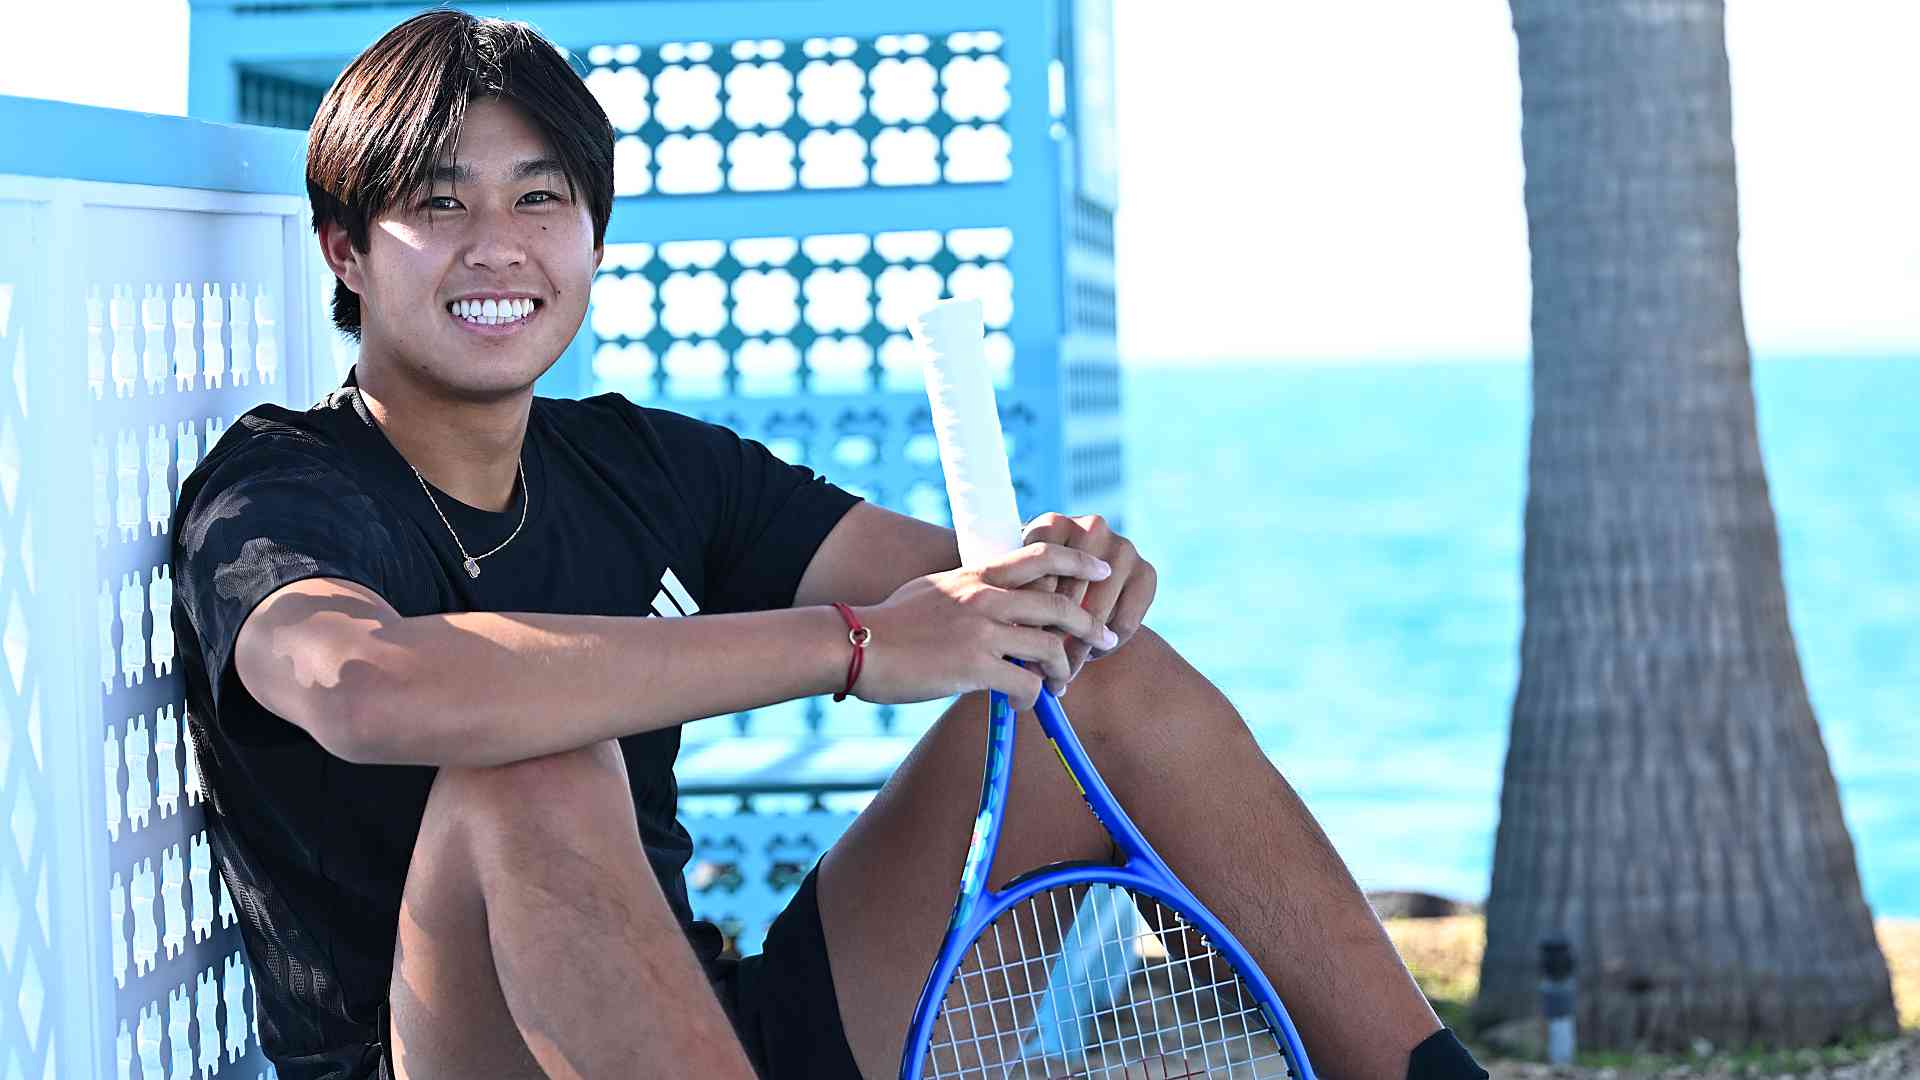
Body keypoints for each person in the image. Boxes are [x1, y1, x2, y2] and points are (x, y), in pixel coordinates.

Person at [169, 10, 1488, 1080]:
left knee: (1102, 675)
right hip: (437, 1054)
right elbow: (364, 684)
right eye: (438, 207)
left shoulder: (636, 460)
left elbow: (963, 594)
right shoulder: (281, 487)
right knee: (537, 772)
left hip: (694, 1026)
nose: (496, 247)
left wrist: (1058, 578)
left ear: (593, 236)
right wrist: (853, 650)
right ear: (346, 247)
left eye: (540, 198)